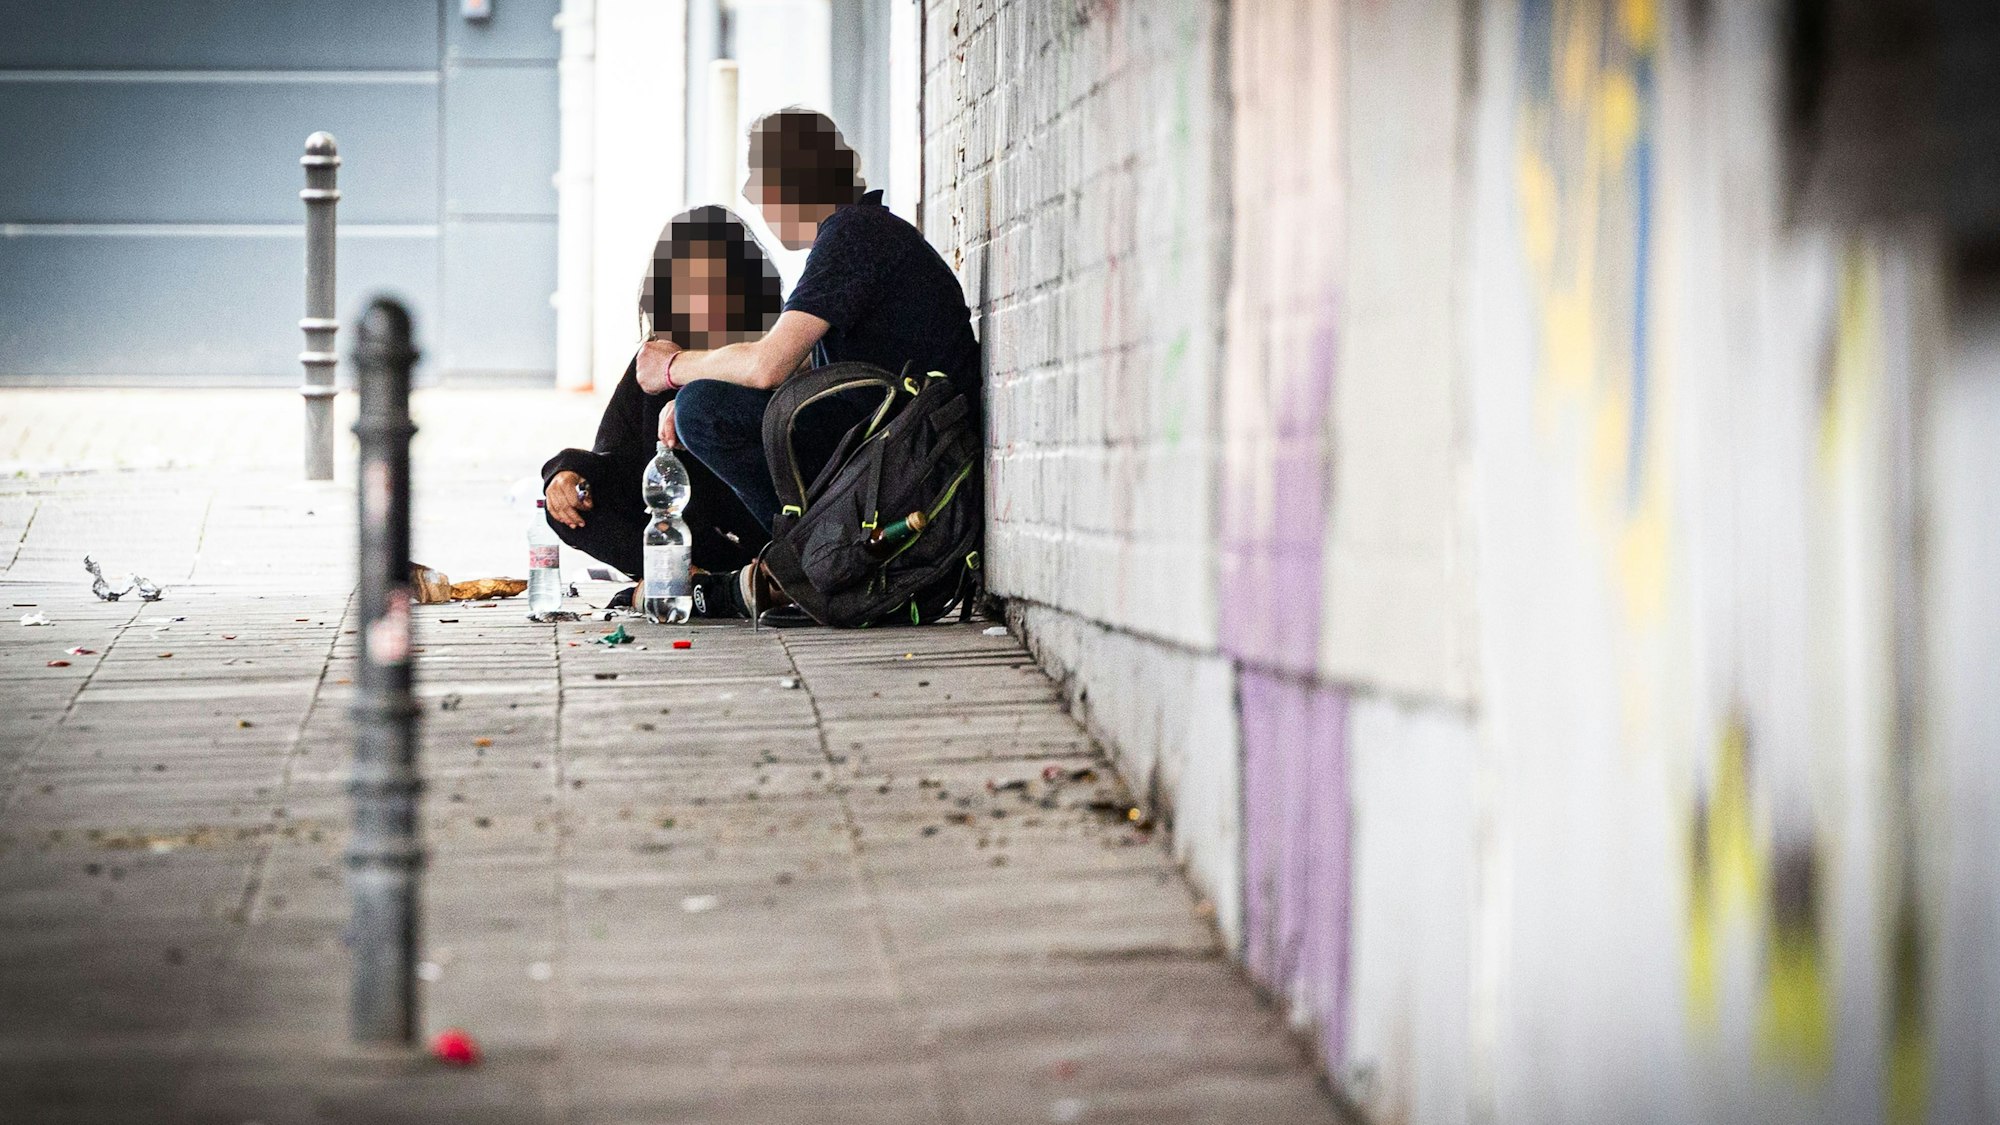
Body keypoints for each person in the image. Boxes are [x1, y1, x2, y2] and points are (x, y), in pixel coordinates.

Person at [632, 109, 981, 616]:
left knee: (705, 409)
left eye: (757, 175)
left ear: (794, 180)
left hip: (915, 469)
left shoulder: (855, 234)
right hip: (901, 456)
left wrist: (672, 368)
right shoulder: (860, 233)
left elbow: (768, 365)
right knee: (705, 405)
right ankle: (800, 568)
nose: (750, 192)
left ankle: (812, 573)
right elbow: (795, 369)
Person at [539, 205, 781, 613]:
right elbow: (613, 458)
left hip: (755, 532)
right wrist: (564, 473)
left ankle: (697, 588)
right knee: (569, 503)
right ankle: (696, 584)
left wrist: (691, 406)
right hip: (683, 540)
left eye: (717, 280)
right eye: (687, 282)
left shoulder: (771, 352)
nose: (703, 297)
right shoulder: (657, 362)